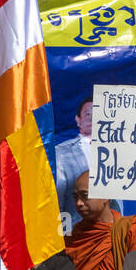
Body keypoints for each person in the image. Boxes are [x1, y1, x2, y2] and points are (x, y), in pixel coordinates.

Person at [53, 97, 95, 228]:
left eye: (97, 114)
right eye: (88, 114)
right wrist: (61, 232)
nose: (92, 118)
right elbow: (59, 196)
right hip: (76, 229)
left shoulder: (118, 149)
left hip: (110, 232)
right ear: (78, 120)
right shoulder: (62, 151)